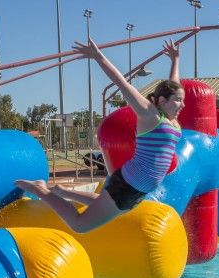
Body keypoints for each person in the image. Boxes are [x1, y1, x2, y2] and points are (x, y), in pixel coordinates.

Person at [15, 37, 184, 233]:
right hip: (128, 185)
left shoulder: (171, 118)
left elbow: (173, 85)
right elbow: (121, 83)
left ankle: (63, 192)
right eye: (178, 100)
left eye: (183, 100)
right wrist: (98, 56)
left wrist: (175, 60)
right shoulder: (149, 114)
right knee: (80, 224)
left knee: (110, 206)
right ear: (162, 100)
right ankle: (41, 190)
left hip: (136, 188)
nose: (182, 104)